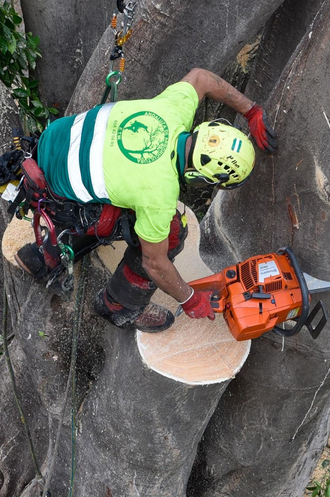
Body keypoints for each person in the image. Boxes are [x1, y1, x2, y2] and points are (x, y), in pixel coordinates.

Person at [33, 67, 276, 332]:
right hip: (55, 196)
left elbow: (201, 77)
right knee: (172, 233)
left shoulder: (174, 109)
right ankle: (119, 305)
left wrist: (251, 110)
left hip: (49, 142)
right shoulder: (158, 195)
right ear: (202, 177)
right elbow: (155, 264)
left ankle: (43, 254)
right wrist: (190, 299)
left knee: (118, 191)